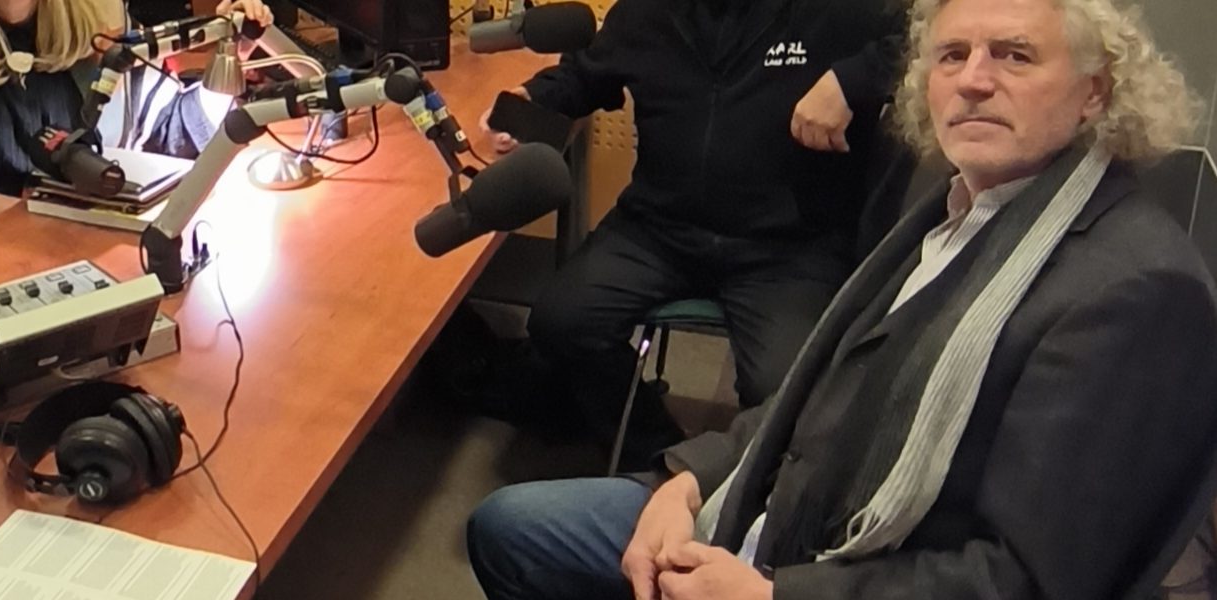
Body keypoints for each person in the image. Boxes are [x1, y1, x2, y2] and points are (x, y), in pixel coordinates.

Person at [467, 0, 1217, 598]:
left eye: (1014, 55)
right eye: (952, 55)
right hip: (677, 266)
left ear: (1095, 91)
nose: (974, 80)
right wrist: (685, 477)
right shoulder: (956, 209)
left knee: (773, 365)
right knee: (510, 520)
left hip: (838, 537)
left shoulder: (1137, 291)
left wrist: (773, 593)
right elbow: (826, 392)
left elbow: (1027, 580)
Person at [476, 0, 907, 465]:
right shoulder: (648, 11)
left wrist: (850, 81)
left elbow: (927, 38)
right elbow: (586, 75)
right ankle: (658, 456)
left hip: (789, 245)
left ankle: (740, 488)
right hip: (658, 228)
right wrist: (532, 100)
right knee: (560, 322)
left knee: (789, 389)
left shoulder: (834, 10)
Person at [0, 0, 273, 261]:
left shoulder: (102, 22)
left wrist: (233, 54)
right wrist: (38, 217)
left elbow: (170, 131)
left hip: (87, 239)